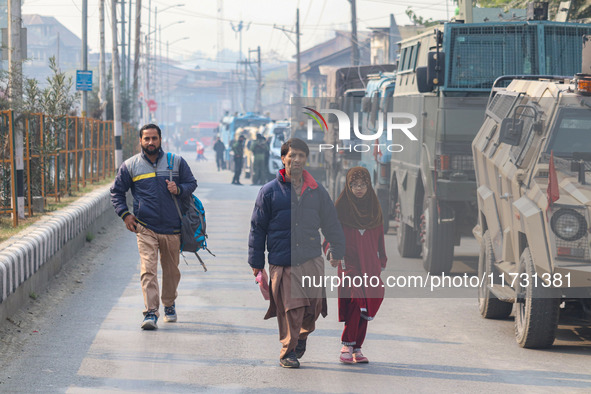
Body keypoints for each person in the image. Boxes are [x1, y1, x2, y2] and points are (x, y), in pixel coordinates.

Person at [248, 137, 345, 369]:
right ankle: (287, 351)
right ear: (283, 159)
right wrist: (256, 261)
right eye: (292, 155)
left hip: (311, 257)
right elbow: (257, 228)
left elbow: (331, 223)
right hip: (283, 260)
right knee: (292, 307)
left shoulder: (317, 191)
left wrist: (337, 250)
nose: (297, 160)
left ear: (306, 160)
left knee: (312, 308)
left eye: (301, 156)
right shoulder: (269, 192)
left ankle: (301, 336)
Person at [110, 123, 197, 330]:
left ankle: (169, 303)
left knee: (171, 271)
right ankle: (150, 312)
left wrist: (179, 188)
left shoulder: (176, 162)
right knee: (148, 269)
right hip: (145, 227)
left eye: (154, 138)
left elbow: (192, 183)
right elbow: (116, 192)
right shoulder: (130, 165)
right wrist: (125, 215)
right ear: (140, 141)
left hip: (173, 228)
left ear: (160, 140)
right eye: (146, 138)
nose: (150, 142)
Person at [328, 167, 387, 364]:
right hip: (349, 262)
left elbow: (380, 237)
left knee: (367, 305)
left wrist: (383, 259)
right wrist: (331, 251)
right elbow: (332, 233)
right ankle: (347, 344)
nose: (359, 189)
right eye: (354, 185)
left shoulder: (374, 208)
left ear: (368, 186)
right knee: (356, 300)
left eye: (363, 185)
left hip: (370, 263)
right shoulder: (342, 207)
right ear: (348, 186)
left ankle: (357, 348)